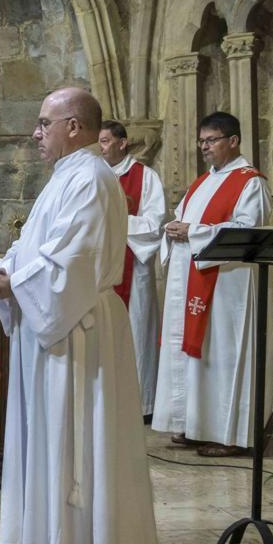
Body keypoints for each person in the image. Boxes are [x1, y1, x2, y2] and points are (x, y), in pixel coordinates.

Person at [0, 87, 157, 544]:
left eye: (43, 123)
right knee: (46, 433)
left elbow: (71, 261)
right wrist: (4, 272)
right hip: (55, 322)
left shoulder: (91, 179)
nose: (36, 133)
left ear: (73, 126)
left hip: (77, 327)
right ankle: (38, 538)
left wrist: (15, 282)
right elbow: (35, 245)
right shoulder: (66, 177)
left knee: (70, 437)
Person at [153, 111, 272, 457]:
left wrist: (193, 232)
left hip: (228, 286)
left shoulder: (250, 182)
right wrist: (174, 228)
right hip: (196, 279)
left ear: (233, 141)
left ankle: (229, 434)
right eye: (202, 141)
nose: (204, 147)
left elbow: (250, 232)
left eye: (211, 140)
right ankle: (197, 425)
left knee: (224, 356)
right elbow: (182, 216)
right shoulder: (203, 181)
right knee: (198, 358)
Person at [97, 121, 165, 419]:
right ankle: (103, 402)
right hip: (100, 271)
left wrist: (113, 223)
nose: (101, 148)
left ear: (122, 143)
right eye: (98, 142)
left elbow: (154, 225)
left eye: (105, 141)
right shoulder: (96, 177)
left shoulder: (146, 177)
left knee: (137, 332)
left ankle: (140, 405)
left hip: (133, 271)